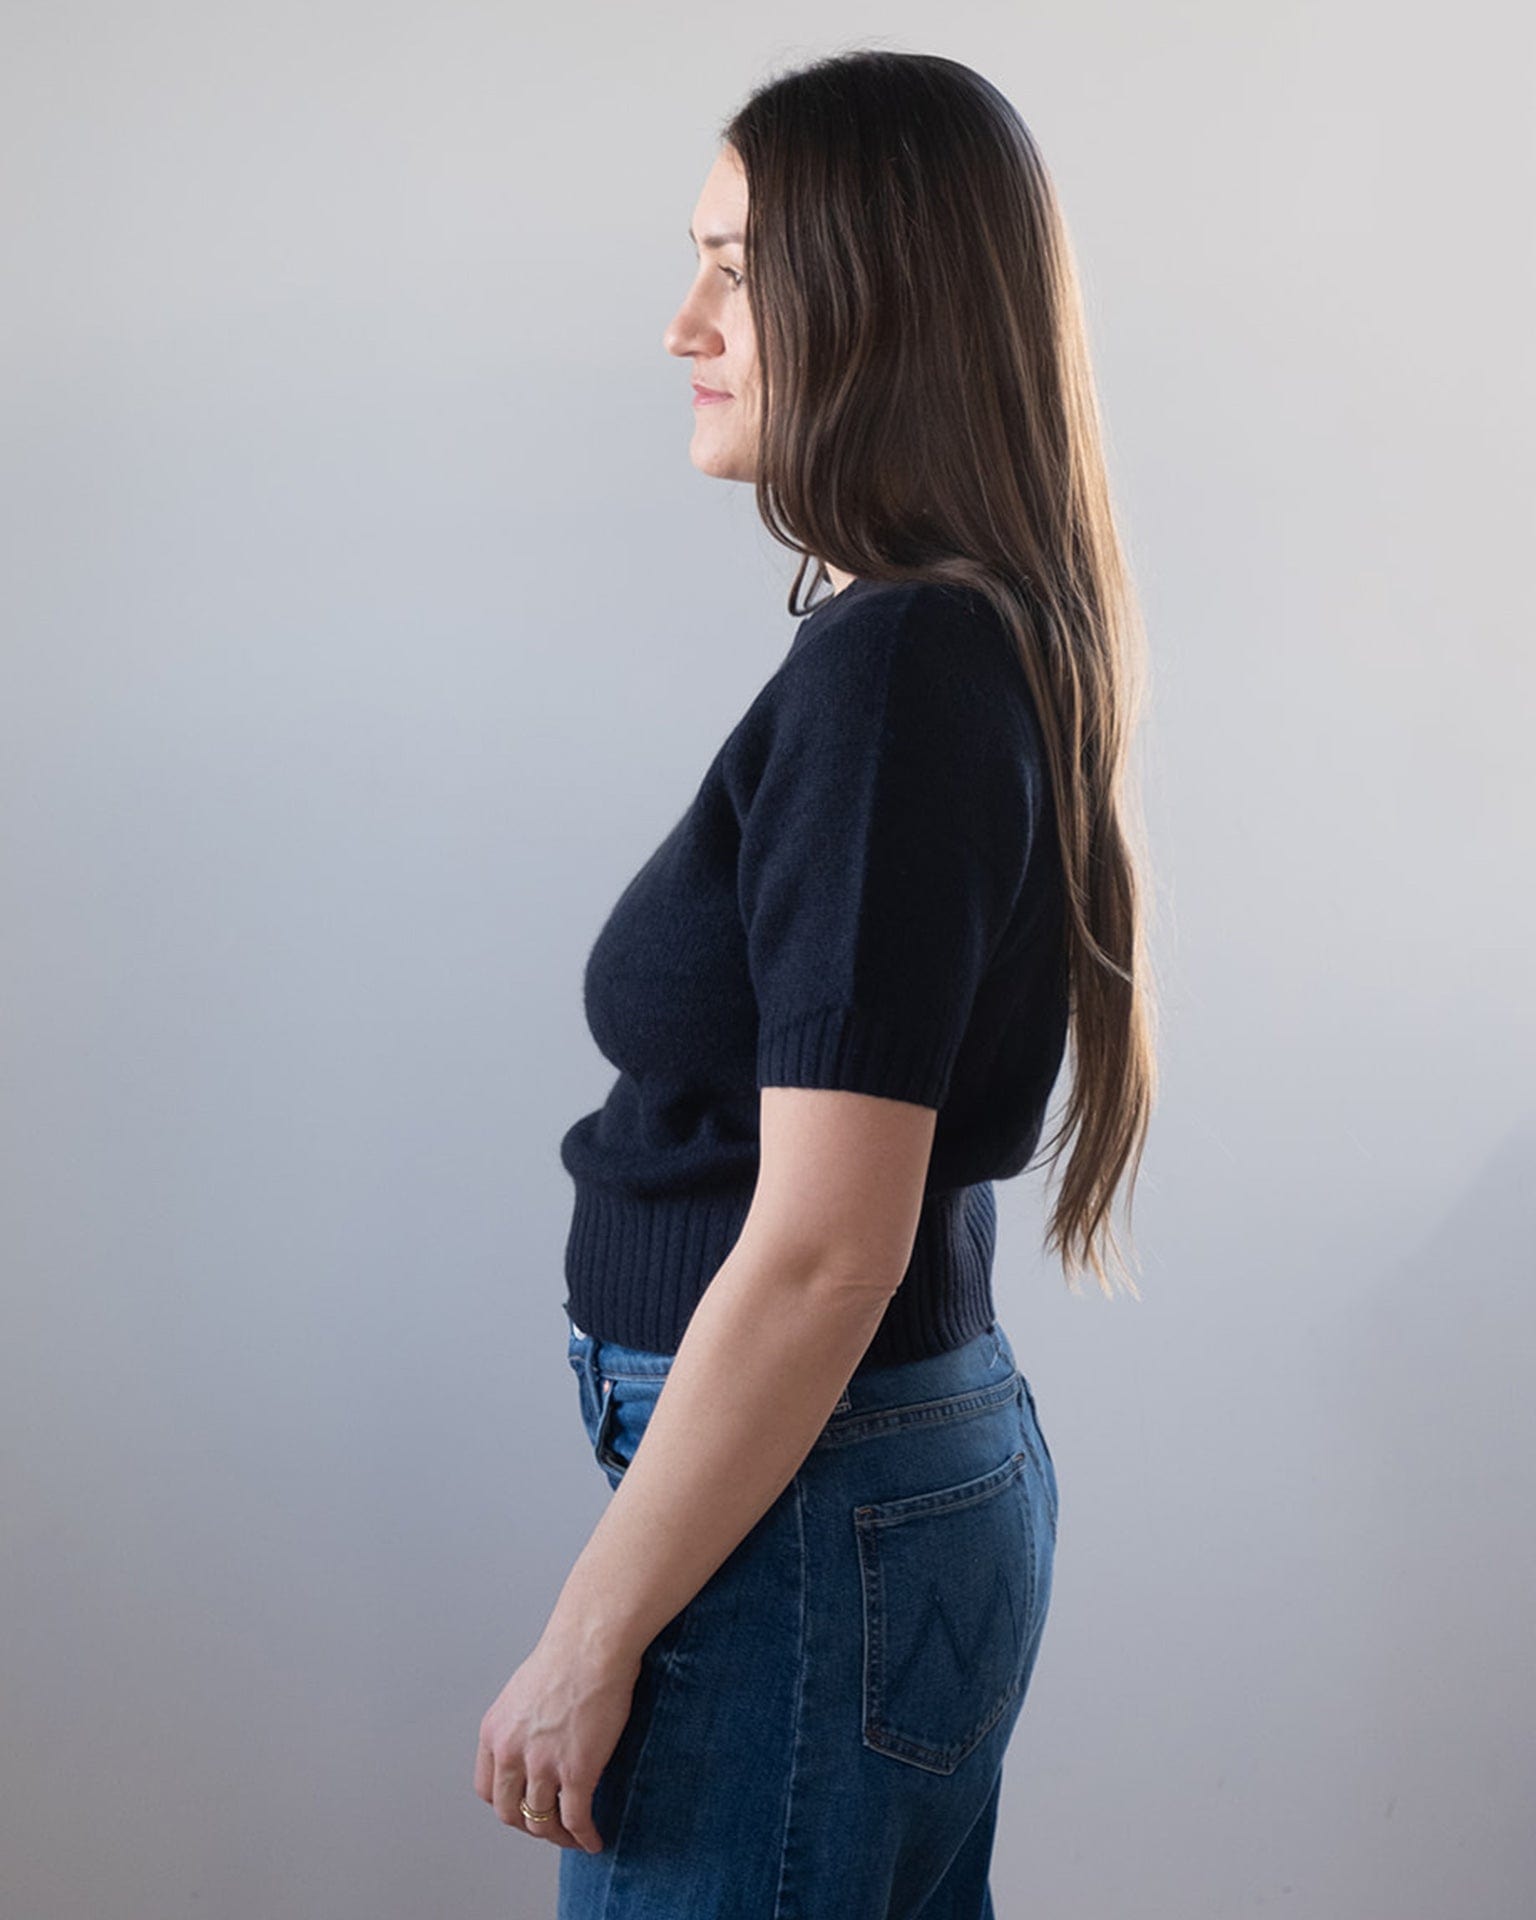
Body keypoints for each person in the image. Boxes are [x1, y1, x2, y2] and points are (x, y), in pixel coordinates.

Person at [474, 47, 1156, 1919]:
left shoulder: (901, 671)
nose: (684, 320)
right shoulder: (942, 642)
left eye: (733, 264)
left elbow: (822, 1248)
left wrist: (588, 1629)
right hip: (851, 1493)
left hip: (802, 1514)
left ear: (882, 287)